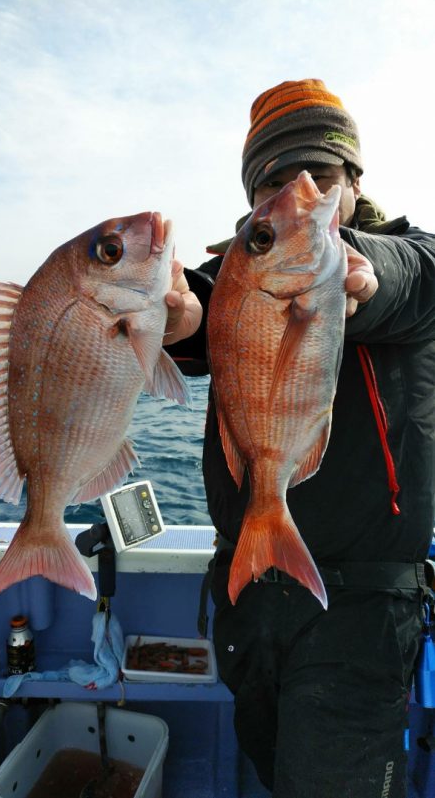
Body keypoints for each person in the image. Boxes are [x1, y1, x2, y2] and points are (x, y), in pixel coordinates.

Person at [164, 79, 435, 798]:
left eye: (322, 172)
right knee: (270, 760)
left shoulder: (413, 255)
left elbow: (413, 278)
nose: (299, 189)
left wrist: (365, 280)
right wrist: (180, 319)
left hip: (362, 605)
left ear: (354, 182)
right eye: (275, 179)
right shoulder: (241, 269)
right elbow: (204, 304)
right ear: (254, 195)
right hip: (247, 591)